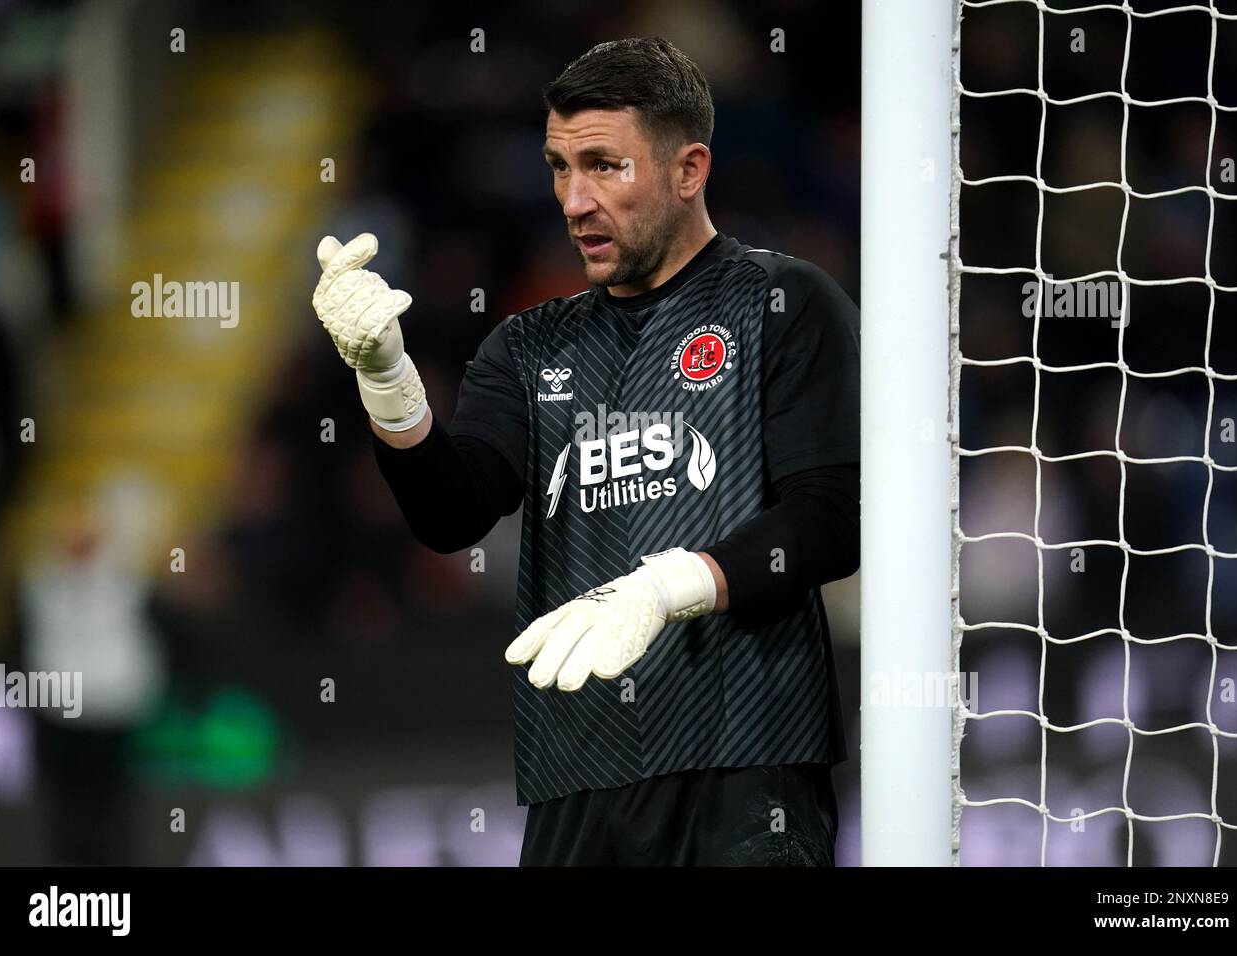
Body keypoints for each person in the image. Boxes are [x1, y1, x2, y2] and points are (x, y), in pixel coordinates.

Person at [310, 37, 860, 866]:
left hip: (749, 765)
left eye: (605, 165)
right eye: (559, 168)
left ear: (689, 169)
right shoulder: (527, 347)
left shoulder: (780, 303)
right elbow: (450, 513)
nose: (574, 200)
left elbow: (831, 520)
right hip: (579, 773)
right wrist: (386, 374)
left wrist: (666, 588)